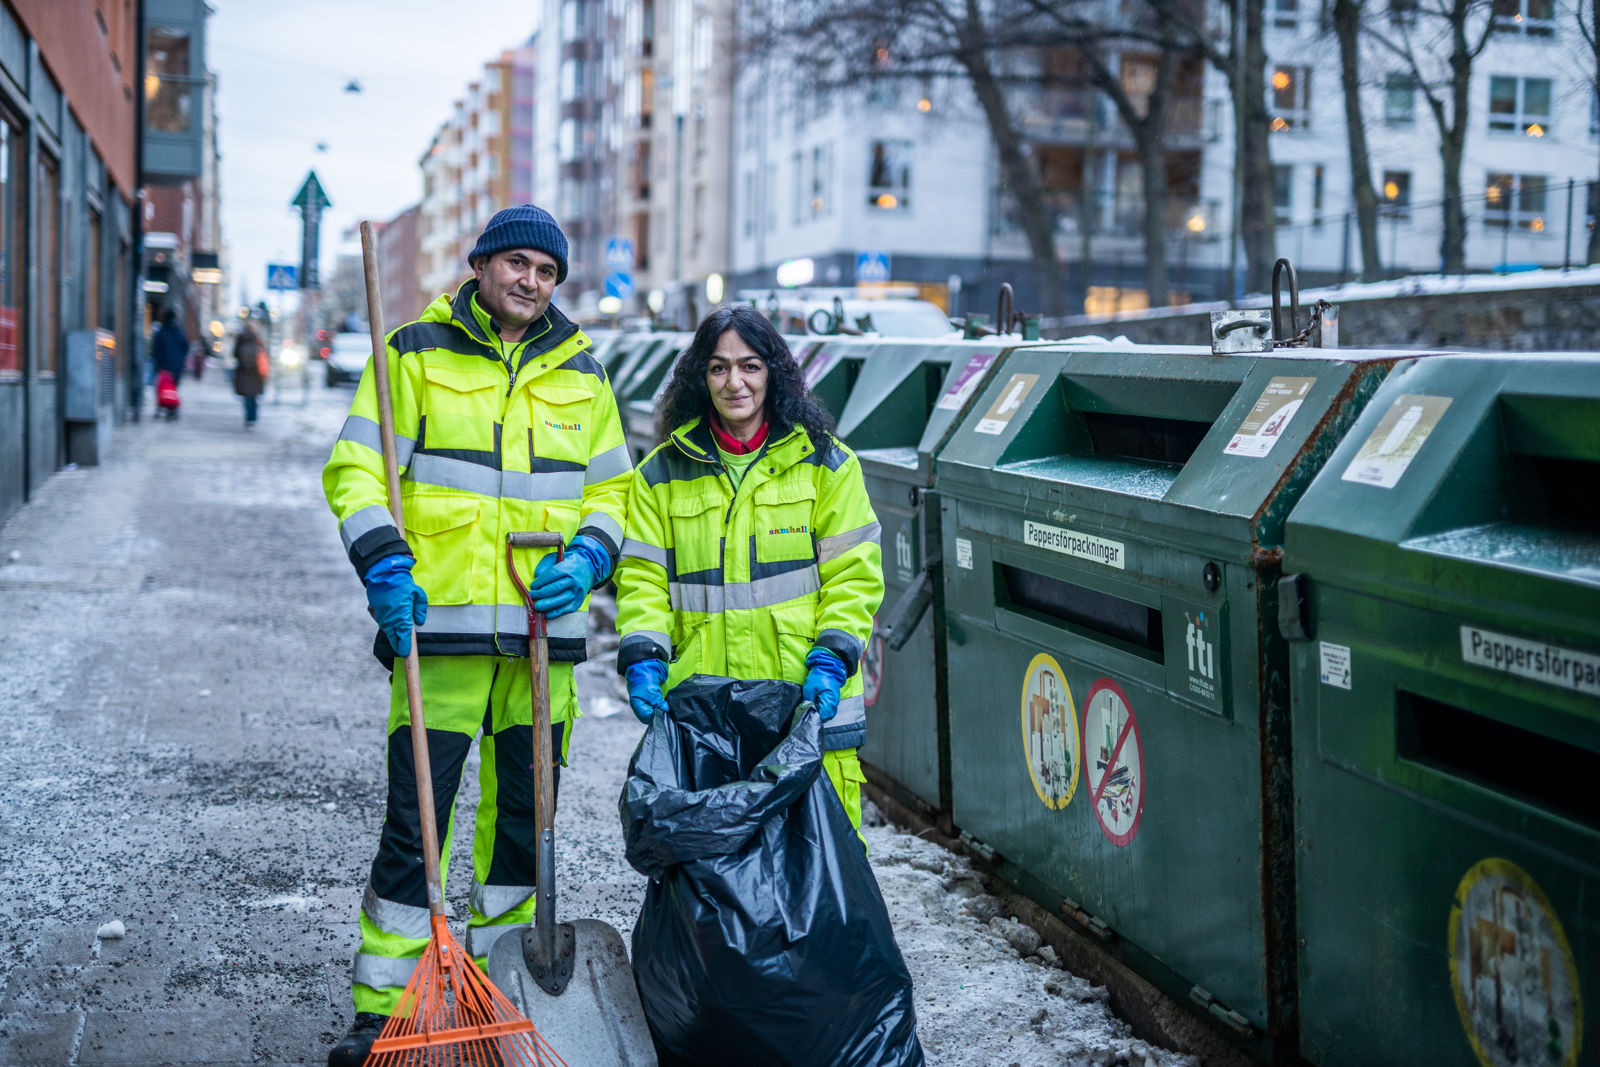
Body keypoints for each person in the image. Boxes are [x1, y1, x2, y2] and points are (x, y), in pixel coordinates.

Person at [320, 205, 632, 1067]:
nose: (530, 281)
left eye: (546, 271)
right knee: (415, 828)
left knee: (523, 836)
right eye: (517, 264)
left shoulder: (583, 373)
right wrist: (384, 561)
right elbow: (356, 469)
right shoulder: (413, 354)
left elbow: (616, 496)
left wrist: (592, 557)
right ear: (483, 264)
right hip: (442, 640)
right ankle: (384, 1012)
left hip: (544, 646)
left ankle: (497, 998)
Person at [614, 304, 884, 835]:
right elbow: (643, 580)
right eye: (718, 367)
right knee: (715, 876)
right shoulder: (662, 473)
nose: (734, 382)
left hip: (804, 704)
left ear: (774, 373)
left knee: (820, 874)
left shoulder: (826, 464)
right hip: (706, 714)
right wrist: (644, 656)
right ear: (700, 376)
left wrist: (832, 657)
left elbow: (853, 574)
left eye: (750, 366)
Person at [150, 308, 189, 420]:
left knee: (163, 388)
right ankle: (171, 411)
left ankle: (163, 409)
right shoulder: (178, 332)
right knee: (171, 389)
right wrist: (180, 361)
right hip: (175, 367)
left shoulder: (161, 332)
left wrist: (159, 365)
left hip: (164, 367)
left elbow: (155, 350)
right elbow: (185, 347)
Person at [231, 324, 267, 428]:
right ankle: (253, 417)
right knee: (253, 397)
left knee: (247, 397)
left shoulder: (241, 340)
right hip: (256, 374)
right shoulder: (258, 341)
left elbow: (235, 355)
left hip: (244, 373)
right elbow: (264, 356)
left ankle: (248, 417)